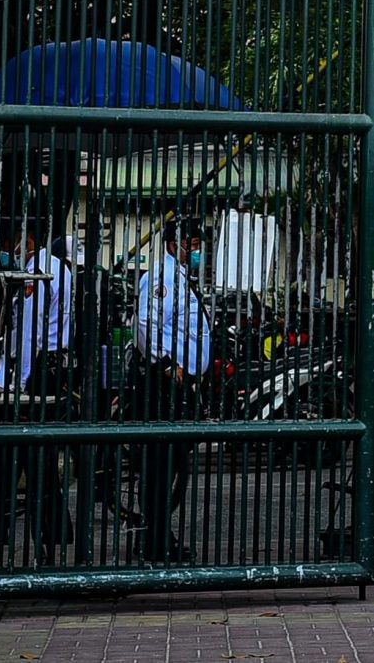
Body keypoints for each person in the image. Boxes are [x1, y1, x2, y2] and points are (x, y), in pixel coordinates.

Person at [0, 228, 74, 563]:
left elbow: (28, 332)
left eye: (9, 246)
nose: (7, 254)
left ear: (26, 241)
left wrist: (12, 383)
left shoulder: (35, 275)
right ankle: (54, 528)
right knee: (38, 453)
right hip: (51, 368)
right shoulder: (58, 268)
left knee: (19, 450)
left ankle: (1, 528)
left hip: (36, 372)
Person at [133, 216, 211, 563]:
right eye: (191, 246)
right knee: (163, 465)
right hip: (163, 383)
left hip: (179, 384)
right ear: (172, 244)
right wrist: (167, 365)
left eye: (197, 246)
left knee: (174, 464)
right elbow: (146, 324)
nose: (196, 252)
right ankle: (155, 537)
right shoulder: (162, 278)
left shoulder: (179, 277)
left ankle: (159, 532)